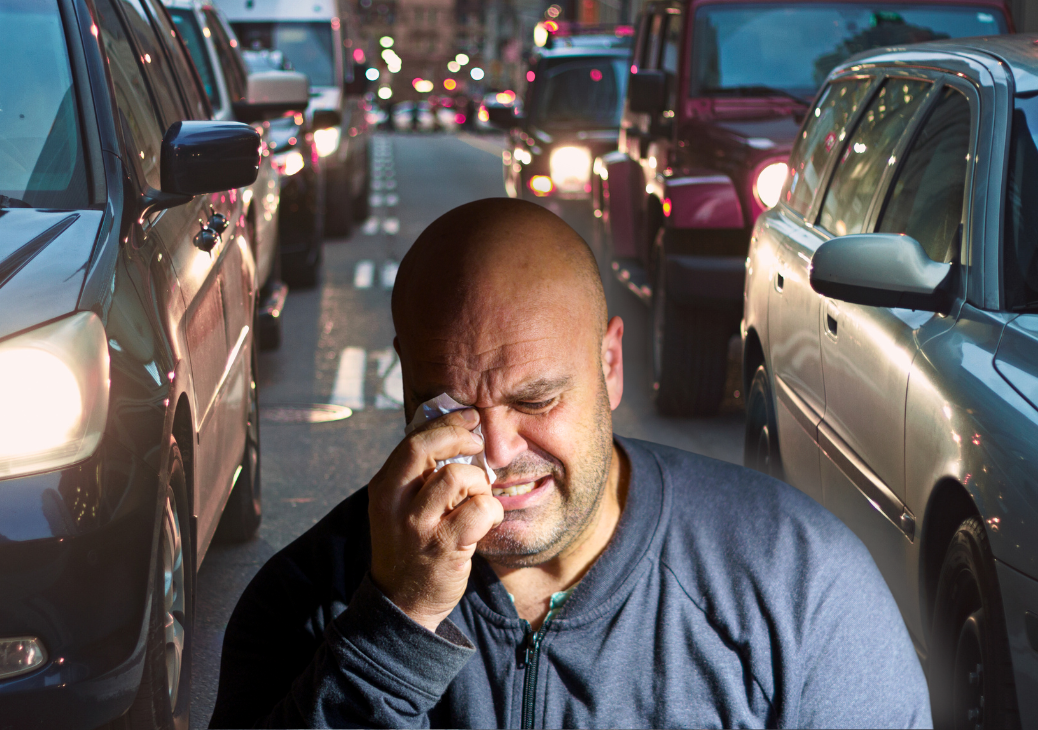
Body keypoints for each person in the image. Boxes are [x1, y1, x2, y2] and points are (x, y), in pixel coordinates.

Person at [210, 198, 930, 728]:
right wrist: (395, 627)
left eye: (536, 399)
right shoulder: (306, 601)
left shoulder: (802, 585)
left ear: (609, 363)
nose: (495, 452)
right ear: (403, 382)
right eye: (447, 403)